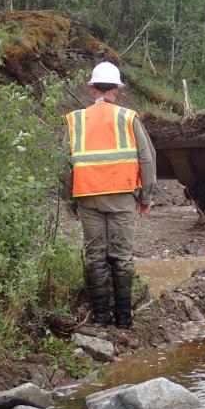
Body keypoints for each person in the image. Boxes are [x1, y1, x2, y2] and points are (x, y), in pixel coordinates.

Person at [61, 61, 156, 329]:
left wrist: (71, 203)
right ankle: (124, 319)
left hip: (88, 198)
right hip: (122, 197)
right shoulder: (128, 117)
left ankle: (101, 317)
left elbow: (63, 166)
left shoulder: (75, 120)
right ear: (116, 89)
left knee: (95, 257)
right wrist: (146, 197)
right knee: (121, 257)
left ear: (92, 88)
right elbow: (147, 159)